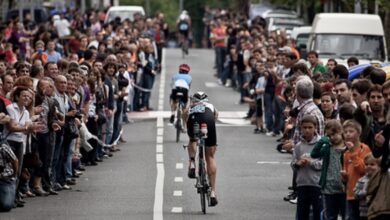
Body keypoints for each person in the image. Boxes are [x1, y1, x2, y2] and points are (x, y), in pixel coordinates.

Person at [186, 91, 218, 206]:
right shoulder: (210, 106)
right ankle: (213, 192)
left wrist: (190, 133)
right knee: (210, 156)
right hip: (208, 122)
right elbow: (215, 118)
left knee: (193, 140)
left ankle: (192, 162)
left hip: (193, 120)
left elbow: (185, 119)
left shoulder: (190, 106)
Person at [311, 120, 346, 220]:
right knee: (330, 216)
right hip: (328, 187)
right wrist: (322, 141)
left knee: (345, 214)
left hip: (343, 187)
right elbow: (314, 154)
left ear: (340, 132)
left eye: (334, 134)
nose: (331, 138)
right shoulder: (328, 148)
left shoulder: (347, 148)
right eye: (329, 136)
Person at [291, 115, 322, 220]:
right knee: (302, 212)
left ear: (315, 128)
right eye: (304, 128)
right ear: (301, 128)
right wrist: (297, 163)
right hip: (302, 183)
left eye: (310, 127)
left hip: (316, 184)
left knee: (318, 211)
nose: (307, 130)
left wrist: (311, 162)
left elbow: (324, 164)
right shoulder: (299, 146)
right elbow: (293, 163)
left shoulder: (321, 144)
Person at [341, 120, 371, 220]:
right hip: (350, 193)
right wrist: (344, 176)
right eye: (345, 132)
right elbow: (346, 175)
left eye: (351, 131)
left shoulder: (364, 149)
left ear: (359, 133)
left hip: (362, 193)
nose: (348, 134)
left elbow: (363, 169)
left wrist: (353, 152)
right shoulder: (346, 153)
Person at [353, 153, 381, 220]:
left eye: (372, 164)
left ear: (379, 166)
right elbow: (355, 194)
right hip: (365, 213)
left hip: (379, 212)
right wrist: (365, 192)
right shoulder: (362, 180)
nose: (368, 166)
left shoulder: (382, 179)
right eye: (366, 164)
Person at [169, 64, 192, 130]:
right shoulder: (189, 77)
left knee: (173, 100)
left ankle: (173, 113)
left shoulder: (175, 76)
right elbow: (189, 87)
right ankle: (184, 126)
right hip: (184, 91)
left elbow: (172, 85)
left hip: (176, 90)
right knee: (184, 107)